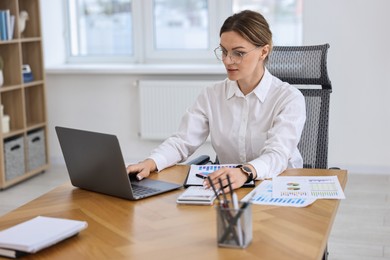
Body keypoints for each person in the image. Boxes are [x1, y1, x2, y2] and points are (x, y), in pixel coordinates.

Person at [127, 10, 306, 191]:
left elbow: (278, 154)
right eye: (224, 51)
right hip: (230, 187)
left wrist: (245, 172)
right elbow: (183, 141)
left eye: (238, 53)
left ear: (263, 52)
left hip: (280, 186)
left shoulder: (289, 98)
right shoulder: (211, 95)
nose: (227, 60)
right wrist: (151, 162)